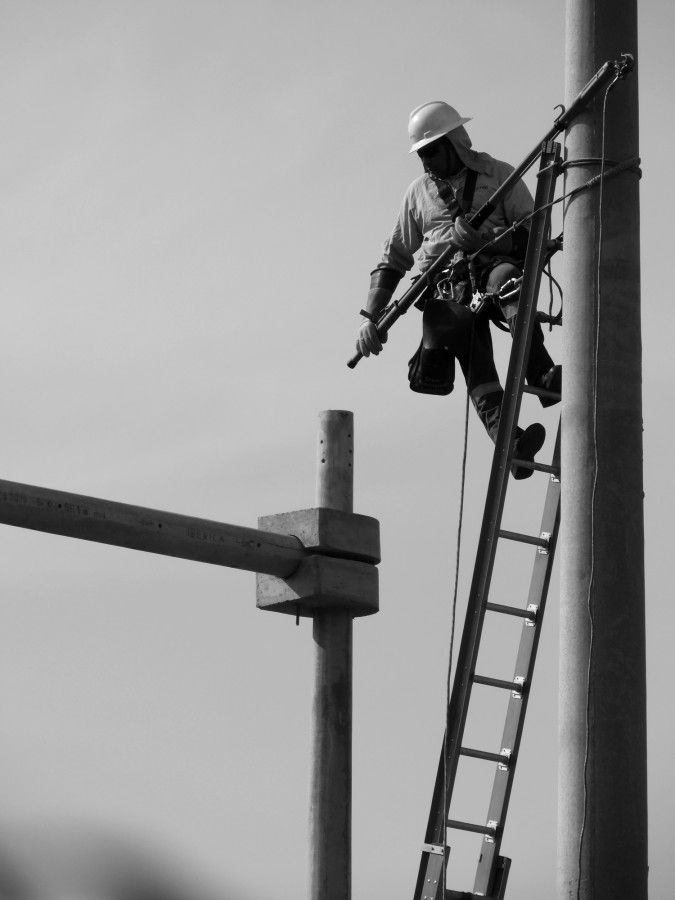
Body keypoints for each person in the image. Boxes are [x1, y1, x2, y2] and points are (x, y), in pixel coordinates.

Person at [356, 101, 561, 478]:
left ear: (454, 142)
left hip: (492, 266)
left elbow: (538, 235)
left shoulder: (498, 175)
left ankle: (541, 373)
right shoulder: (417, 194)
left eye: (432, 150)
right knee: (472, 354)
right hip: (449, 287)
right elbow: (393, 259)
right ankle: (510, 442)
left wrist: (493, 241)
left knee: (508, 284)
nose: (426, 160)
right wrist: (371, 317)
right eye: (421, 153)